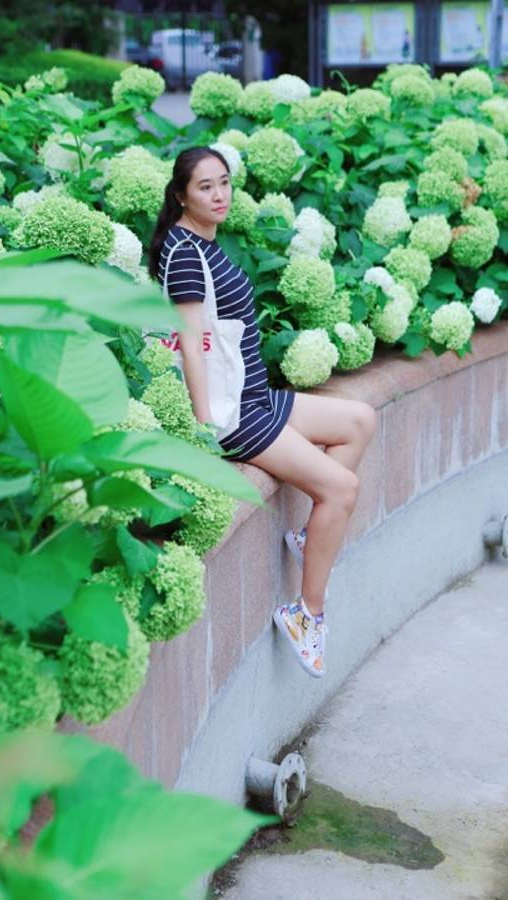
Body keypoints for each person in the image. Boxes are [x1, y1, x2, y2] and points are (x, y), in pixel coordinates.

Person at [148, 147, 376, 678]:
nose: (219, 194)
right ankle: (306, 615)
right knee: (341, 489)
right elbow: (190, 343)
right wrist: (204, 431)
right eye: (205, 186)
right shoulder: (186, 253)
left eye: (224, 182)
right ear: (181, 195)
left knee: (360, 421)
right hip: (234, 416)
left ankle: (312, 539)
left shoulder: (200, 242)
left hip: (255, 396)